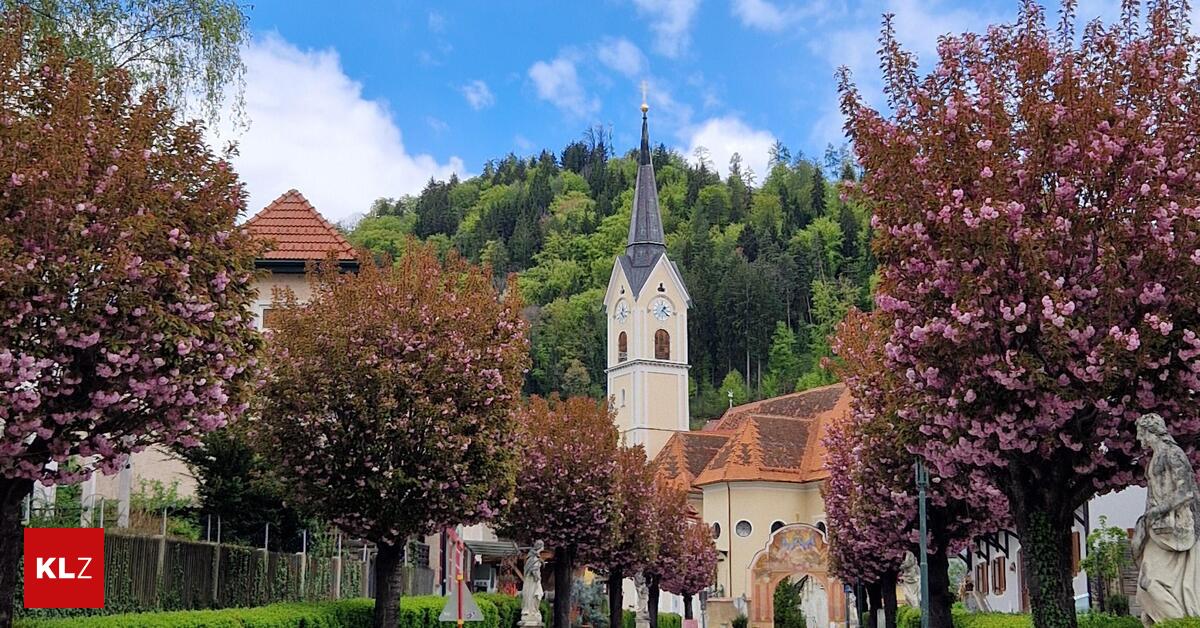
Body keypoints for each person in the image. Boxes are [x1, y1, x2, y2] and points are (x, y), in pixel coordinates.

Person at [1133, 413, 1200, 623]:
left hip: (1175, 528)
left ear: (1149, 431)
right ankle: (1170, 622)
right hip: (1158, 528)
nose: (1137, 438)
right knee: (1146, 585)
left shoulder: (1173, 453)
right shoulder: (1155, 457)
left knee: (1150, 581)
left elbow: (1187, 491)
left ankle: (1178, 623)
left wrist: (1157, 511)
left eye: (1140, 432)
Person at [521, 540, 545, 625]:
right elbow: (533, 570)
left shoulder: (534, 557)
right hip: (532, 582)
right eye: (542, 546)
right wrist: (537, 577)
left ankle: (534, 610)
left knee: (538, 595)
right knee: (536, 594)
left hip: (534, 582)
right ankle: (531, 610)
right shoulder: (533, 558)